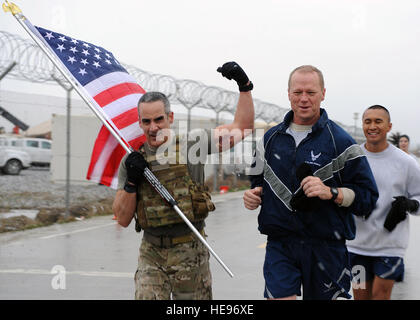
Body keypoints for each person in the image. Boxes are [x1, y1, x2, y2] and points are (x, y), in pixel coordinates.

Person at [112, 62, 254, 300]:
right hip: (151, 252)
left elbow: (243, 128)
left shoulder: (192, 145)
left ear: (170, 117)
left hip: (190, 249)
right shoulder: (132, 161)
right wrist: (131, 183)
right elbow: (123, 219)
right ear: (139, 123)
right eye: (146, 122)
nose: (153, 127)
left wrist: (244, 86)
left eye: (158, 119)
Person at [243, 65, 378, 300]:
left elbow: (368, 198)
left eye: (311, 92)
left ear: (323, 93)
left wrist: (332, 192)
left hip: (326, 247)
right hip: (280, 243)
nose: (303, 99)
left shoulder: (342, 142)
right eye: (297, 92)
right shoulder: (269, 138)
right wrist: (253, 195)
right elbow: (257, 180)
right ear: (288, 94)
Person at [346, 105, 420, 300]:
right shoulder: (352, 159)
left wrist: (411, 205)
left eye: (378, 121)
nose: (372, 126)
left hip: (390, 246)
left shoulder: (406, 162)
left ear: (389, 126)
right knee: (360, 297)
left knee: (380, 296)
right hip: (356, 246)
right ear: (362, 125)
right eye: (368, 121)